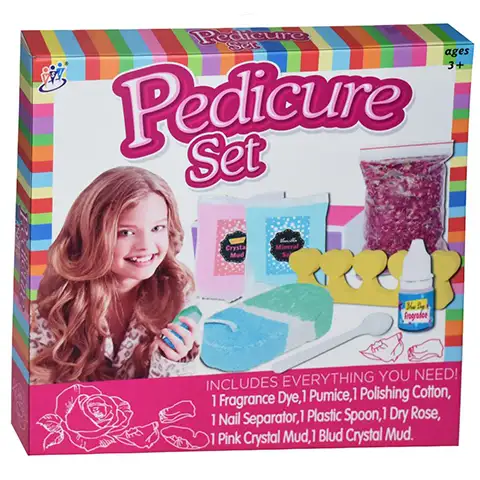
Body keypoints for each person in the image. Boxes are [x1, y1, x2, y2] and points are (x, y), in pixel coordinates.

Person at [30, 166, 199, 384]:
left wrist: (172, 361)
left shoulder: (178, 290)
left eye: (157, 228)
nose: (146, 245)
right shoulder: (56, 301)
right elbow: (40, 386)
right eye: (125, 232)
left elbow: (175, 397)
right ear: (92, 235)